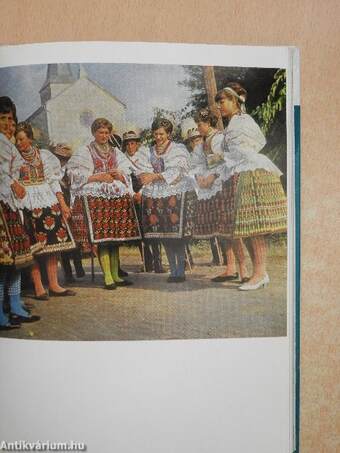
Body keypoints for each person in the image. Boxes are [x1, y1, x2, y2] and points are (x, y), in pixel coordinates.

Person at [215, 82, 287, 290]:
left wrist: (220, 157)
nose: (219, 106)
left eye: (222, 102)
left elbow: (244, 150)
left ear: (234, 101)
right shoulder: (233, 124)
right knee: (246, 228)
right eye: (218, 102)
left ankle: (260, 273)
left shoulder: (241, 121)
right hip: (240, 172)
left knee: (255, 227)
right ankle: (258, 273)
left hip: (251, 172)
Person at [67, 118, 141, 289]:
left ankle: (116, 275)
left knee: (114, 238)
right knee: (103, 238)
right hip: (96, 198)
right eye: (101, 132)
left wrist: (119, 175)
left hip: (114, 197)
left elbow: (127, 173)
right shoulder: (85, 151)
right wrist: (97, 176)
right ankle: (107, 276)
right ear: (94, 133)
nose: (104, 136)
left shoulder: (115, 152)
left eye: (107, 133)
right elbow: (74, 174)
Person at [15, 122, 76, 299]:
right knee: (33, 248)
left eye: (21, 139)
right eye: (16, 140)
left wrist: (63, 204)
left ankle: (55, 285)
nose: (19, 143)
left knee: (53, 246)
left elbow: (53, 181)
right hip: (27, 204)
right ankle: (39, 286)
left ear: (30, 139)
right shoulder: (14, 159)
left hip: (48, 201)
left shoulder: (44, 156)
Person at [138, 118, 196, 283]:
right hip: (156, 195)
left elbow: (176, 172)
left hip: (174, 193)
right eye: (156, 134)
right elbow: (142, 171)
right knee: (164, 234)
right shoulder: (148, 151)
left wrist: (154, 176)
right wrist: (149, 177)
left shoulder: (178, 149)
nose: (158, 137)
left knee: (176, 234)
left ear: (169, 134)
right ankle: (173, 270)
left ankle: (180, 270)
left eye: (162, 134)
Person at [191, 108, 246, 280]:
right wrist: (200, 177)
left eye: (199, 124)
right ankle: (230, 269)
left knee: (231, 230)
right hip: (211, 187)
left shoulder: (220, 138)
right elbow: (199, 163)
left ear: (207, 123)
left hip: (225, 184)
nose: (198, 128)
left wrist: (213, 176)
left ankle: (243, 271)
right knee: (221, 229)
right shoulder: (203, 143)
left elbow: (226, 160)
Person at [0, 97, 40, 329]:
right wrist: (12, 183)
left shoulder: (10, 143)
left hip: (11, 206)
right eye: (3, 119)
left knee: (17, 261)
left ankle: (15, 305)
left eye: (12, 121)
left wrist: (17, 185)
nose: (8, 125)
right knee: (3, 263)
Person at [122, 130, 164, 273]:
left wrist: (140, 193)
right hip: (132, 196)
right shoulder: (122, 159)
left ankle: (158, 263)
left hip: (148, 193)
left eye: (133, 143)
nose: (130, 146)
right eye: (127, 144)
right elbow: (125, 180)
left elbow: (149, 175)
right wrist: (133, 194)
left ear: (138, 144)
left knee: (153, 227)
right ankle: (147, 262)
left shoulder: (145, 156)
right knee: (139, 230)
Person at [51, 143, 85, 284]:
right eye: (59, 158)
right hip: (59, 207)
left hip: (72, 205)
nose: (62, 161)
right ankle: (68, 273)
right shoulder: (53, 174)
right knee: (64, 241)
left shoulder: (71, 172)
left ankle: (79, 267)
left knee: (76, 239)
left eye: (64, 158)